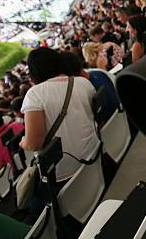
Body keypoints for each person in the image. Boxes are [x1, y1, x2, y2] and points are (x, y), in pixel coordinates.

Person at [20, 47, 100, 190]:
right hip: (95, 157)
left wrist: (23, 143)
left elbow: (33, 144)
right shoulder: (84, 83)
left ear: (34, 71)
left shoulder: (34, 94)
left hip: (64, 177)